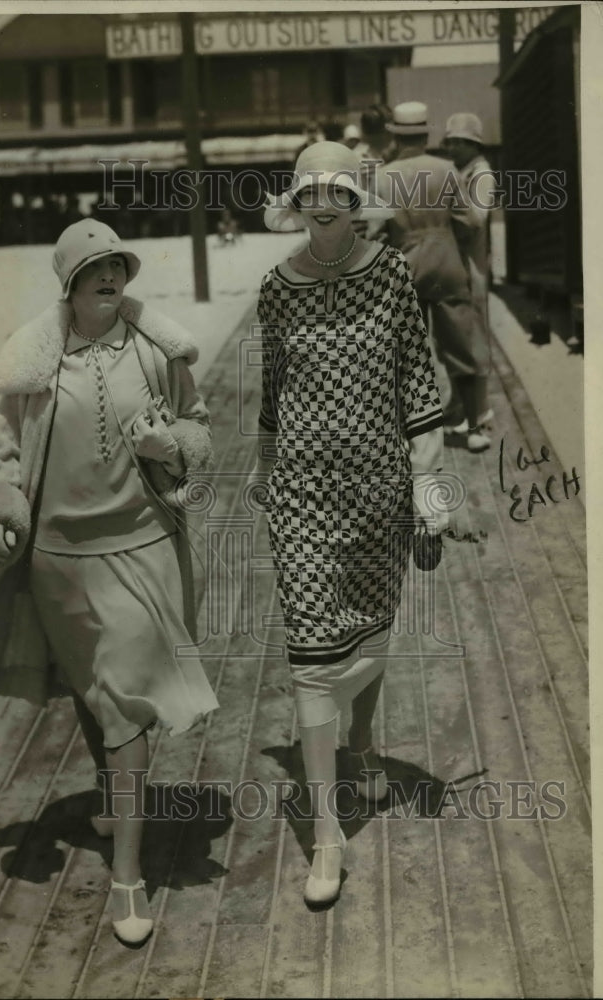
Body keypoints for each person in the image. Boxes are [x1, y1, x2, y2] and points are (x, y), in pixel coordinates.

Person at [0, 219, 219, 946]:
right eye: (93, 266)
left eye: (117, 263)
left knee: (125, 703)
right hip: (59, 561)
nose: (109, 275)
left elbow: (198, 431)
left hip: (144, 547)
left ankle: (126, 877)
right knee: (95, 690)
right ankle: (107, 797)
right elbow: (0, 463)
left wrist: (170, 446)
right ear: (69, 281)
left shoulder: (158, 351)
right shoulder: (33, 368)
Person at [256, 142, 449, 908]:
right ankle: (327, 836)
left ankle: (361, 745)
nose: (324, 206)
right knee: (310, 656)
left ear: (353, 201)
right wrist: (264, 471)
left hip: (378, 487)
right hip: (302, 491)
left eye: (337, 193)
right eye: (310, 196)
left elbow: (416, 376)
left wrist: (431, 490)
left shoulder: (392, 274)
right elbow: (273, 389)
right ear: (296, 206)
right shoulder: (275, 289)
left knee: (367, 630)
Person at [371, 101, 490, 453]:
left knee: (407, 352)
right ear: (425, 135)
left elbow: (376, 232)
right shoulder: (448, 169)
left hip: (404, 265)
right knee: (460, 343)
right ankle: (473, 429)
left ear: (395, 134)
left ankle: (409, 435)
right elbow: (469, 221)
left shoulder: (381, 175)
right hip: (446, 260)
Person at [442, 112, 496, 434]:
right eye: (451, 141)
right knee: (455, 336)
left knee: (473, 337)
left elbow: (476, 219)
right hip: (456, 264)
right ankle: (461, 406)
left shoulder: (481, 174)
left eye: (459, 142)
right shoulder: (460, 171)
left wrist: (447, 207)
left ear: (473, 143)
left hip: (471, 265)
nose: (453, 147)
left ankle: (480, 410)